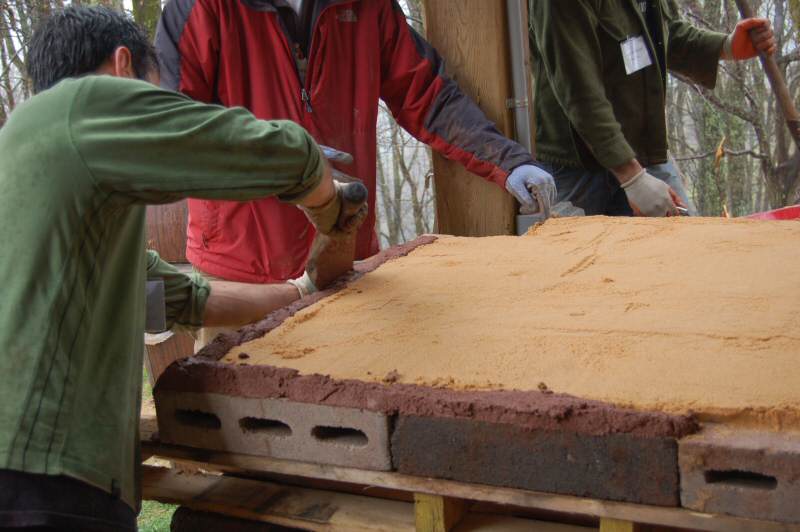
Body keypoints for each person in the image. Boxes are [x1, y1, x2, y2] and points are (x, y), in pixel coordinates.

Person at [0, 6, 366, 530]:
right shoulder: (82, 104)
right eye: (155, 92)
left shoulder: (42, 177)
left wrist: (306, 290)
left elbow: (185, 298)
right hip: (39, 481)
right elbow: (279, 155)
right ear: (123, 67)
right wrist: (330, 206)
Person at [155, 0, 557, 345]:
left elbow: (427, 94)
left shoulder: (368, 6)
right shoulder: (199, 7)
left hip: (345, 258)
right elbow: (172, 129)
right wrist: (279, 159)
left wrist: (508, 161)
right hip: (240, 268)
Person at [529, 0, 776, 217]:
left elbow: (666, 34)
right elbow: (579, 88)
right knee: (575, 260)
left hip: (642, 153)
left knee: (688, 253)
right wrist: (632, 177)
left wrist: (727, 46)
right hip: (578, 168)